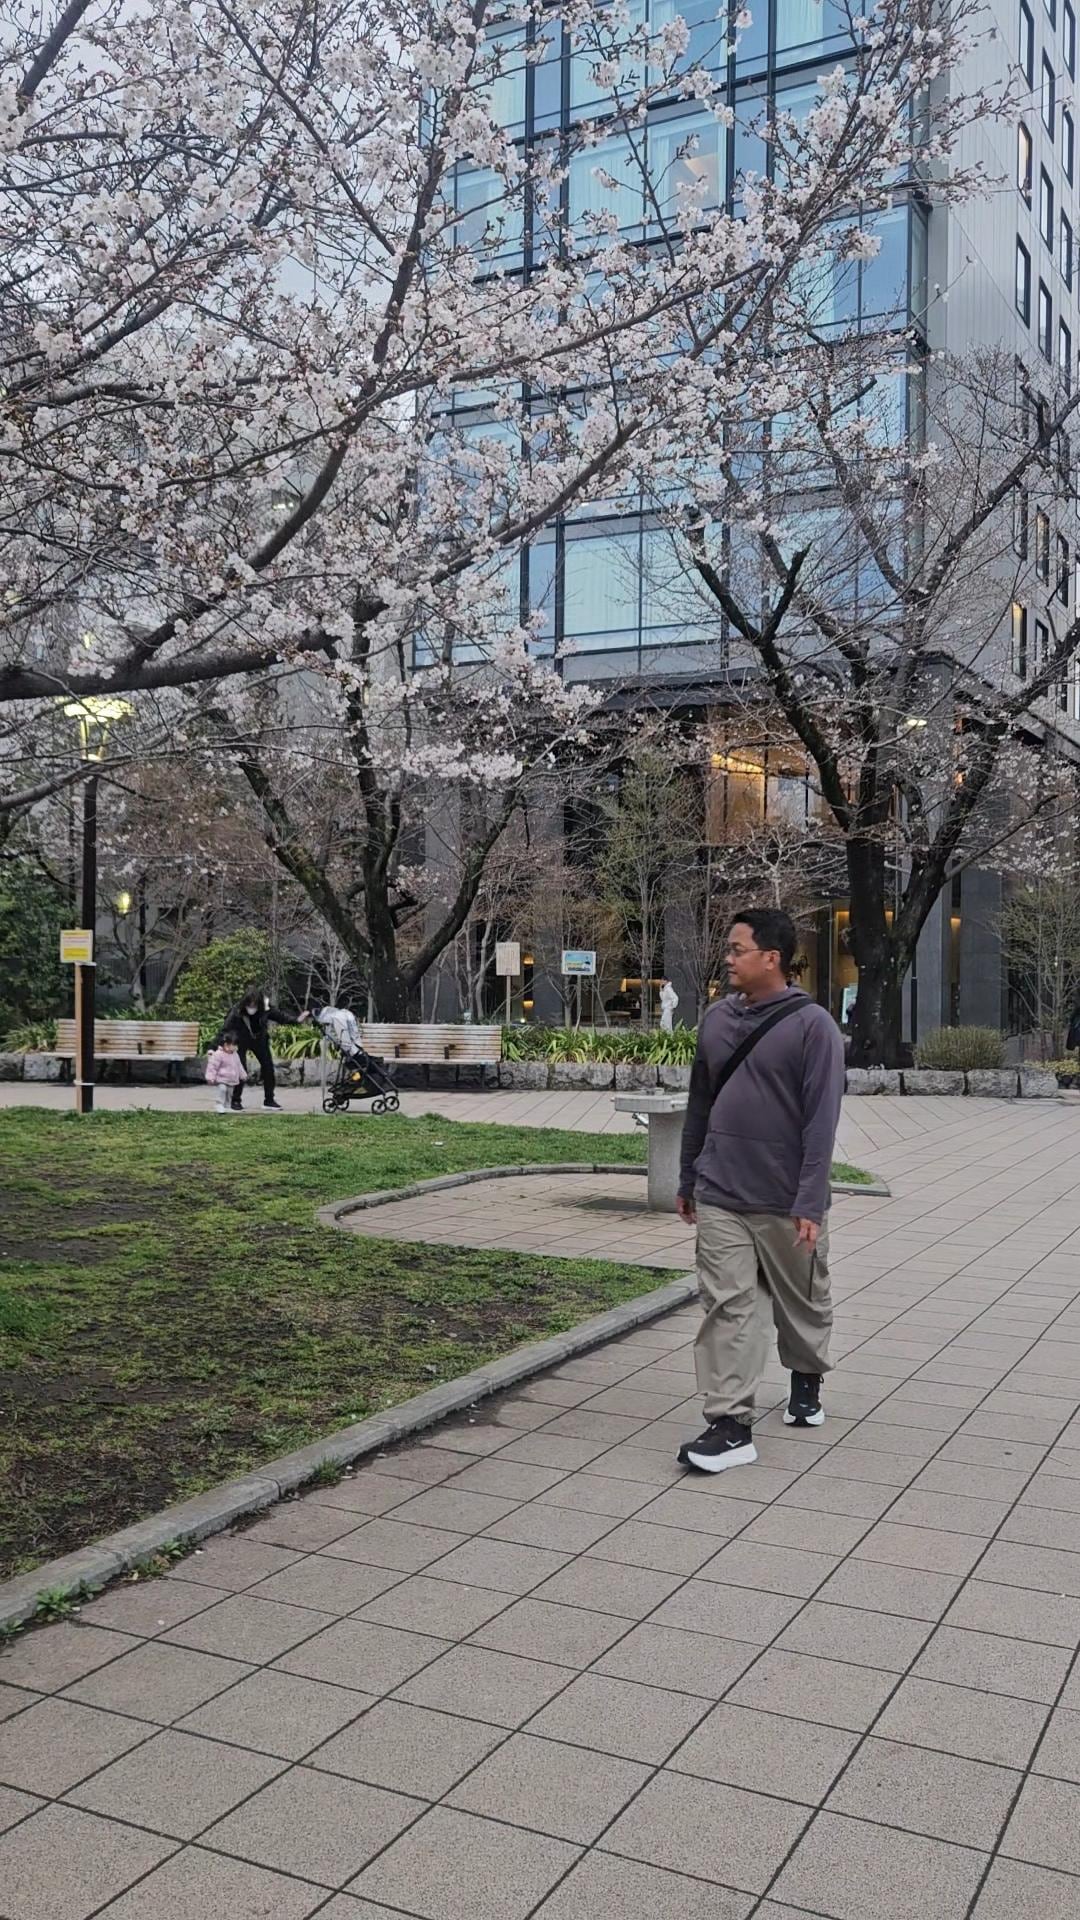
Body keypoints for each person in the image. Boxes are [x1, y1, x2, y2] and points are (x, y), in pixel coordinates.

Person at [675, 908, 845, 1474]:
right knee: (728, 1306)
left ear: (771, 957)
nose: (728, 958)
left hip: (783, 1196)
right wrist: (688, 1178)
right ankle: (729, 1425)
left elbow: (822, 1122)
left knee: (801, 1302)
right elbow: (700, 1103)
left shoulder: (813, 1026)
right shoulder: (716, 1020)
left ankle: (806, 1376)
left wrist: (809, 1200)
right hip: (722, 1189)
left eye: (737, 948)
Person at [219, 984, 293, 1111]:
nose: (252, 1007)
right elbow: (225, 1030)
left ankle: (269, 1100)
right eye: (249, 1004)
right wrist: (217, 1047)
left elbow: (280, 1017)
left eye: (254, 1005)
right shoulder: (237, 1010)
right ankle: (235, 1100)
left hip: (259, 1039)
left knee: (268, 1067)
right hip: (241, 1040)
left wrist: (296, 1020)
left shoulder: (265, 1007)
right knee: (241, 1068)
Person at [204, 1031, 247, 1114]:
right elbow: (212, 1066)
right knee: (222, 1089)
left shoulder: (235, 1055)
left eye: (235, 1045)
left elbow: (239, 1066)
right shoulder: (218, 1054)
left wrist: (243, 1074)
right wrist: (210, 1076)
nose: (235, 1047)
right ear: (226, 1044)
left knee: (230, 1093)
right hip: (222, 1078)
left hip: (232, 1079)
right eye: (233, 1045)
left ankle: (227, 1105)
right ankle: (219, 1104)